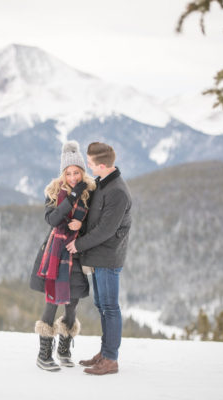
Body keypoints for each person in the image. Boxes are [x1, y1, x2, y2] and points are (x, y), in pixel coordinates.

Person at [66, 142, 132, 376]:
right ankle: (104, 353)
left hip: (108, 257)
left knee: (110, 308)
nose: (88, 166)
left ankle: (111, 359)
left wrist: (78, 244)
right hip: (98, 255)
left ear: (102, 165)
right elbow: (96, 219)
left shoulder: (117, 192)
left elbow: (105, 230)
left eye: (91, 163)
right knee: (101, 306)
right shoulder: (104, 185)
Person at [30, 140, 96, 372]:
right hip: (55, 255)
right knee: (52, 303)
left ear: (82, 172)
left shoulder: (90, 194)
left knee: (72, 304)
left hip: (76, 255)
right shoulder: (53, 192)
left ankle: (64, 350)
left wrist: (82, 224)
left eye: (76, 172)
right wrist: (71, 197)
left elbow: (94, 225)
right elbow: (52, 220)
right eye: (68, 173)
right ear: (63, 174)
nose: (73, 177)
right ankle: (43, 354)